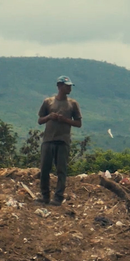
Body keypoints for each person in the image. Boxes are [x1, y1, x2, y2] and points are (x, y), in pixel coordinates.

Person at [38, 76, 82, 205]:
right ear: (59, 86)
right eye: (66, 86)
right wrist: (49, 117)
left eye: (70, 86)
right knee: (44, 169)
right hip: (48, 140)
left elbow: (78, 123)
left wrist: (65, 120)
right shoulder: (48, 102)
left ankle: (58, 197)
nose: (69, 88)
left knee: (61, 170)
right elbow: (40, 120)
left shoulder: (73, 104)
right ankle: (45, 196)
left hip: (63, 141)